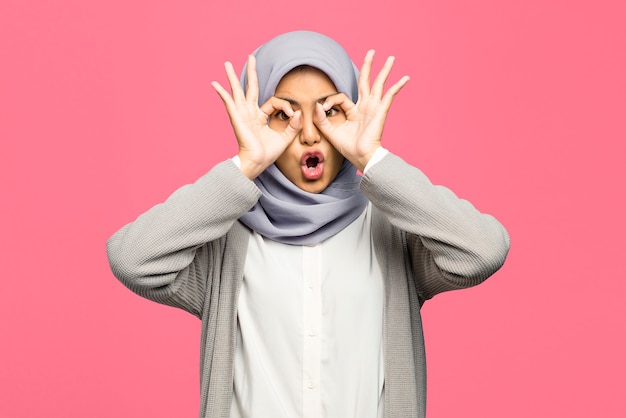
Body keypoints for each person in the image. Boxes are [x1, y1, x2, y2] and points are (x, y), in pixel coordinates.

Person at [106, 30, 510, 418]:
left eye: (330, 110)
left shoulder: (392, 231)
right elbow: (133, 260)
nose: (311, 133)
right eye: (285, 114)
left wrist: (372, 159)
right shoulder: (225, 242)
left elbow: (482, 251)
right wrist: (245, 166)